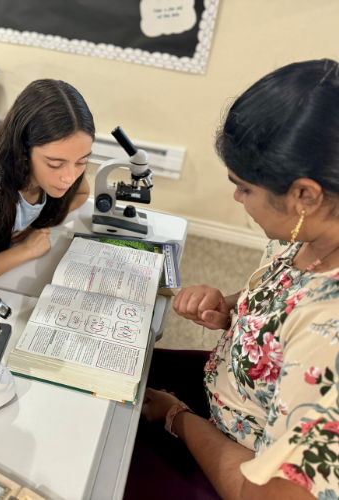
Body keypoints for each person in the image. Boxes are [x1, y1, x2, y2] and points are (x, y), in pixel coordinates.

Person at [125, 59, 339, 500]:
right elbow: (288, 296)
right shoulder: (310, 229)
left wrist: (178, 420)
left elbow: (268, 495)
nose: (237, 197)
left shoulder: (329, 335)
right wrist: (234, 306)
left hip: (236, 469)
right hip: (227, 396)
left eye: (245, 188)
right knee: (117, 364)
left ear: (304, 194)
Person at [0, 79, 94, 278]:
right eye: (55, 165)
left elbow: (82, 192)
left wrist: (35, 226)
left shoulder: (65, 168)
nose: (69, 177)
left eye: (81, 162)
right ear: (23, 149)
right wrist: (26, 250)